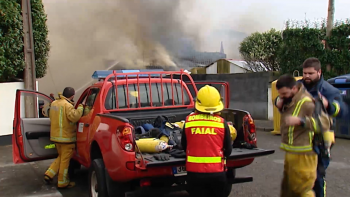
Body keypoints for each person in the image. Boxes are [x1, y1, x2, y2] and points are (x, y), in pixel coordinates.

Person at [275, 74, 331, 197]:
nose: (282, 97)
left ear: (294, 89)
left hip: (304, 155)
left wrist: (301, 121)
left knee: (302, 191)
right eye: (280, 94)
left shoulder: (307, 103)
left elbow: (325, 124)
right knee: (289, 190)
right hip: (291, 152)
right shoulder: (291, 100)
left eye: (284, 94)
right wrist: (281, 105)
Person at [299, 57, 347, 197]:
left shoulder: (329, 90)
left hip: (321, 142)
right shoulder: (297, 86)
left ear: (319, 72)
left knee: (317, 177)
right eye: (305, 73)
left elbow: (341, 110)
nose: (306, 76)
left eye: (310, 73)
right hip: (300, 140)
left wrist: (328, 105)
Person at [181, 85, 232, 197]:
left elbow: (184, 146)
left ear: (197, 102)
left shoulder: (188, 122)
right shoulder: (222, 123)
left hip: (194, 175)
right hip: (217, 174)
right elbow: (228, 150)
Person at [43, 87, 84, 189]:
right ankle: (63, 182)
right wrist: (80, 108)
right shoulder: (67, 105)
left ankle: (49, 174)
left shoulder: (54, 104)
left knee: (61, 157)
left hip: (56, 137)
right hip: (66, 138)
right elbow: (74, 117)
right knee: (65, 161)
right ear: (72, 96)